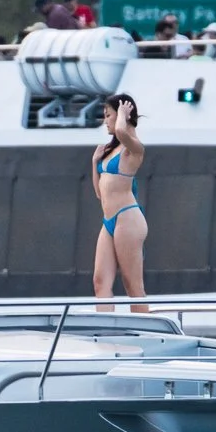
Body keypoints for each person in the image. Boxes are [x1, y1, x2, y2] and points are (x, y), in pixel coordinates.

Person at [91, 93, 147, 312]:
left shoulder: (134, 147)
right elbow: (99, 193)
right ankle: (104, 328)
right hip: (109, 220)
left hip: (127, 218)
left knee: (133, 286)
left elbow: (123, 132)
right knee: (100, 282)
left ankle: (144, 328)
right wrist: (94, 162)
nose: (105, 121)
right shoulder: (110, 149)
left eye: (108, 115)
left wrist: (123, 114)